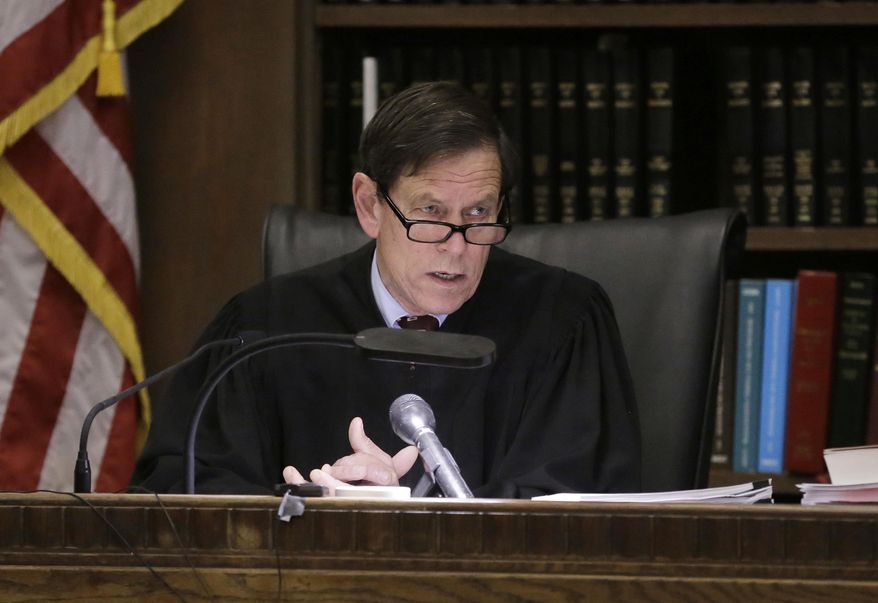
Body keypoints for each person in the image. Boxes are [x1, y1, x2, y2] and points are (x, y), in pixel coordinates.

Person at [130, 81, 641, 498]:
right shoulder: (262, 329)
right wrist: (315, 508)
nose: (457, 248)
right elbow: (184, 493)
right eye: (430, 214)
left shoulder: (562, 321)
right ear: (369, 205)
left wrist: (406, 519)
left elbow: (578, 507)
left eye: (479, 215)